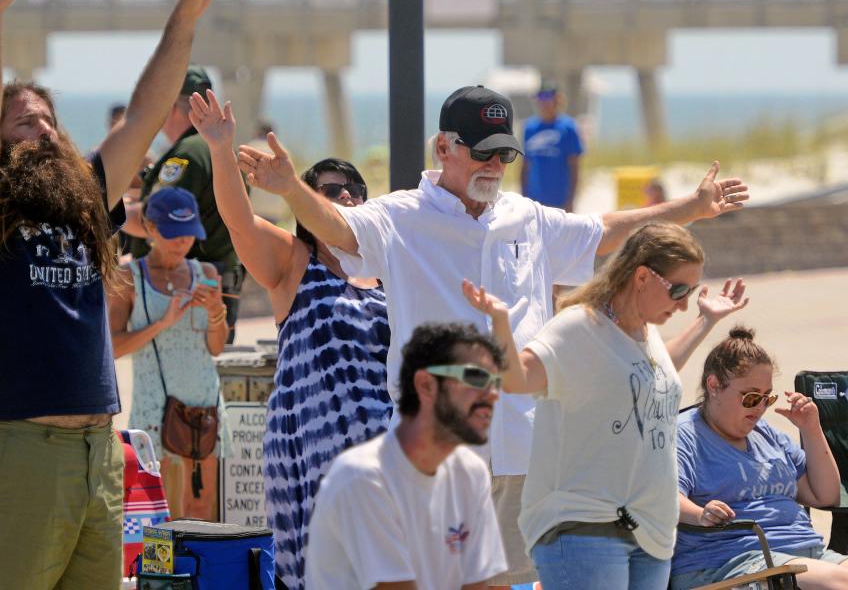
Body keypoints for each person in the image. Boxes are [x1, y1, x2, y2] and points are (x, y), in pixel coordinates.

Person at [239, 84, 750, 587]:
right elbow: (337, 227)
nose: (494, 165)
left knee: (503, 581)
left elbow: (603, 232)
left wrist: (692, 208)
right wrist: (289, 189)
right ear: (444, 148)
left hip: (518, 446)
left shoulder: (525, 216)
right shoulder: (400, 216)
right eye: (482, 152)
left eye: (504, 153)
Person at [0, 0, 234, 589]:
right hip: (21, 450)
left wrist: (184, 18)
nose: (41, 129)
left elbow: (146, 111)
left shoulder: (85, 196)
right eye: (25, 123)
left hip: (98, 452)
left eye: (47, 119)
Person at [463, 222, 749, 590]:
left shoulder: (643, 333)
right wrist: (501, 323)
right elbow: (515, 379)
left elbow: (652, 378)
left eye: (690, 292)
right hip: (586, 526)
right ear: (642, 277)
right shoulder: (578, 328)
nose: (682, 304)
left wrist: (705, 319)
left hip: (651, 530)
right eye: (678, 290)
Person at [188, 89, 392, 589]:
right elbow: (237, 221)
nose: (344, 195)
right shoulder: (295, 265)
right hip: (314, 462)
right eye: (328, 188)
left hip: (390, 459)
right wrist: (220, 148)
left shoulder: (392, 269)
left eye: (352, 188)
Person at [305, 322, 508, 590]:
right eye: (476, 378)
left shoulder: (471, 473)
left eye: (495, 382)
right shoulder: (363, 477)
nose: (492, 395)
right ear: (426, 384)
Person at [671, 327, 848, 590]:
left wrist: (812, 429)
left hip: (805, 556)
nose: (759, 408)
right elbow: (663, 497)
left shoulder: (767, 435)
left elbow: (825, 495)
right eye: (751, 397)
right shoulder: (685, 435)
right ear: (714, 385)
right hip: (729, 564)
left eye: (767, 398)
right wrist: (700, 514)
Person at [107, 187, 232, 520]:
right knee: (162, 515)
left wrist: (217, 311)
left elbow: (216, 347)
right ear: (148, 228)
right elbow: (113, 348)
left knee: (203, 509)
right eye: (173, 234)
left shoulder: (205, 274)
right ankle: (168, 576)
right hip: (156, 408)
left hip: (204, 404)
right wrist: (163, 322)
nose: (183, 242)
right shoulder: (128, 277)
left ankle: (201, 573)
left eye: (189, 234)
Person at [125, 66, 245, 342]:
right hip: (211, 287)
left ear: (172, 106)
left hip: (188, 292)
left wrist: (104, 212)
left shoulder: (188, 153)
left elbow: (163, 221)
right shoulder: (218, 148)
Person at [520, 81, 583, 211]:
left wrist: (571, 200)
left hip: (560, 202)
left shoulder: (568, 127)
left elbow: (575, 167)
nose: (544, 102)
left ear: (557, 100)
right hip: (534, 202)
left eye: (548, 97)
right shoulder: (529, 128)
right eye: (540, 97)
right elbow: (525, 165)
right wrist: (523, 197)